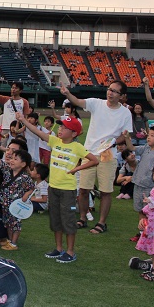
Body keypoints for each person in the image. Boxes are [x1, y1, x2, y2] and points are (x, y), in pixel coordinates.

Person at [16, 113, 98, 264]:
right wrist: (22, 120)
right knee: (56, 220)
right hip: (53, 188)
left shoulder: (77, 147)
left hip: (67, 190)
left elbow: (94, 160)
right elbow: (37, 131)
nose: (60, 129)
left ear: (74, 133)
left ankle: (70, 251)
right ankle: (59, 248)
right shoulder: (55, 141)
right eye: (60, 126)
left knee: (68, 221)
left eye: (64, 128)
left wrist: (76, 169)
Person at [60, 81, 132, 235]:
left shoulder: (125, 113)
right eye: (109, 89)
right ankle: (82, 218)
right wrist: (67, 93)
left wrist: (113, 141)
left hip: (107, 155)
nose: (110, 93)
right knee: (84, 189)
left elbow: (125, 135)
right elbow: (78, 102)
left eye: (114, 91)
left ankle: (101, 222)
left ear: (122, 96)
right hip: (89, 153)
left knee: (106, 191)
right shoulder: (96, 103)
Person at [122, 126, 154, 242]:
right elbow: (131, 147)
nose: (149, 138)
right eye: (149, 135)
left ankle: (150, 234)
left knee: (149, 212)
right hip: (138, 184)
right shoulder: (146, 148)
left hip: (149, 187)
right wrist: (127, 137)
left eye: (152, 135)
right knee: (141, 210)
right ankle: (142, 233)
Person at [0, 76, 30, 144]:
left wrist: (22, 129)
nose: (13, 90)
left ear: (20, 90)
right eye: (12, 88)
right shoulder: (6, 99)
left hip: (17, 129)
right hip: (6, 128)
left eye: (16, 88)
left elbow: (26, 118)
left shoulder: (24, 102)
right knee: (3, 149)